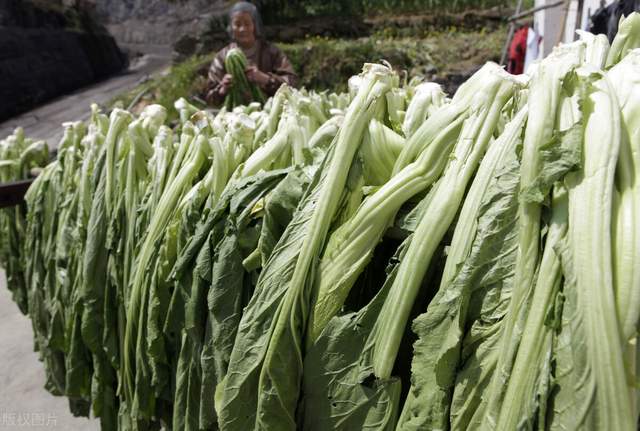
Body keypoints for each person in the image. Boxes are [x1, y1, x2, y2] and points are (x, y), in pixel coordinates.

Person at [206, 1, 297, 106]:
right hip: (234, 117)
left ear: (254, 25)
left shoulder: (271, 52)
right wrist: (222, 89)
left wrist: (264, 79)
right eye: (237, 24)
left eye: (247, 23)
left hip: (270, 112)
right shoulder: (223, 57)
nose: (242, 29)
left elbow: (292, 84)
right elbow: (210, 99)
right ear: (231, 27)